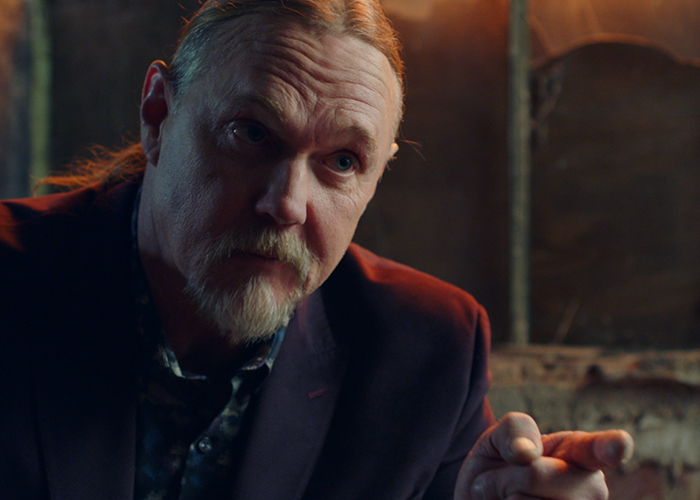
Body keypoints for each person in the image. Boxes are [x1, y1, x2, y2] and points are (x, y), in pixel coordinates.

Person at [0, 0, 632, 499]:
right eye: (251, 134)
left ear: (378, 176)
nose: (287, 204)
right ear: (158, 112)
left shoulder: (427, 353)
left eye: (342, 161)